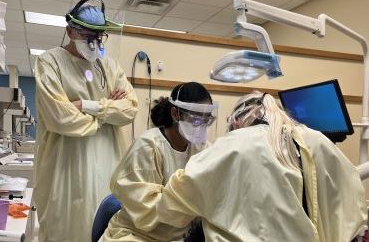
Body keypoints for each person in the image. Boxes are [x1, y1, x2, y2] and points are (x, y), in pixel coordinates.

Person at [155, 91, 367, 242]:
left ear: (236, 122)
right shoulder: (317, 140)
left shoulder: (232, 144)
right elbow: (349, 199)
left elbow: (170, 205)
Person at [33, 0, 138, 241]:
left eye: (98, 36)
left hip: (107, 164)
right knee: (66, 227)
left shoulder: (109, 66)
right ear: (69, 31)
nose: (93, 42)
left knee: (102, 225)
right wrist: (106, 113)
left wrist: (86, 106)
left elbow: (130, 110)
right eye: (86, 35)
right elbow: (60, 118)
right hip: (64, 167)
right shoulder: (50, 62)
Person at [100, 82, 217, 241]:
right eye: (196, 119)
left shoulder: (201, 148)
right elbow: (146, 212)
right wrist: (188, 190)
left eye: (206, 120)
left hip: (179, 236)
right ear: (176, 114)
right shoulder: (148, 147)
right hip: (137, 234)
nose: (201, 126)